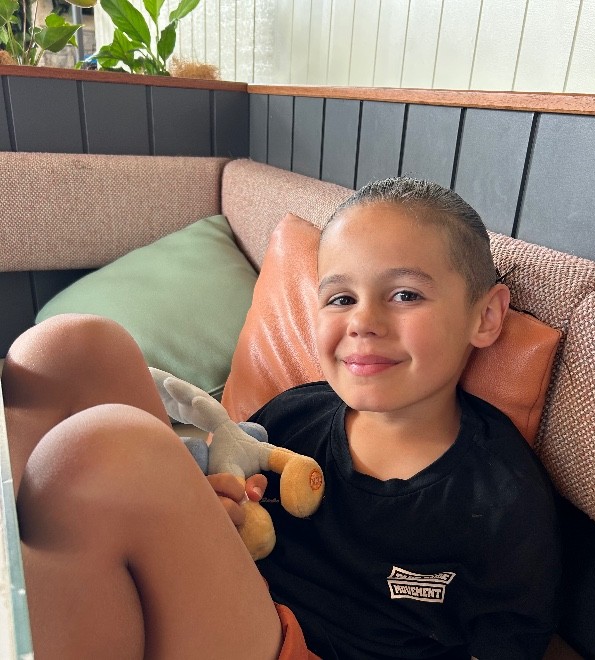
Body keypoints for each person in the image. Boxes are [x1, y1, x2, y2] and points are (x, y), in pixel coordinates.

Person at [3, 177, 561, 659]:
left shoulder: (501, 496)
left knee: (103, 450)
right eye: (340, 299)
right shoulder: (298, 413)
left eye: (405, 294)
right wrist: (217, 506)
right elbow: (233, 493)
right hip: (235, 603)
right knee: (69, 348)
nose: (363, 321)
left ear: (486, 316)